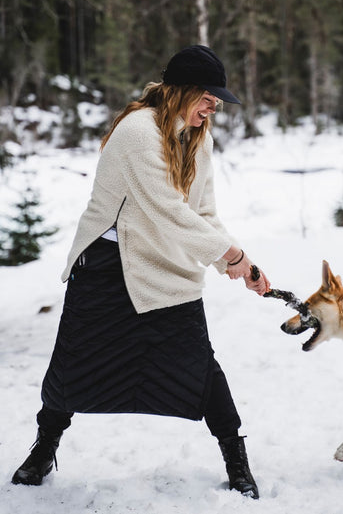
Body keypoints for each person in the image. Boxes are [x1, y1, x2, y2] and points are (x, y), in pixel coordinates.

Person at [11, 45, 270, 499]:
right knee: (71, 366)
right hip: (107, 268)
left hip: (163, 266)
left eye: (216, 101)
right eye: (207, 97)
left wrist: (236, 262)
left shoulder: (199, 136)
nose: (213, 107)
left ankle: (235, 456)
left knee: (199, 365)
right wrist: (230, 255)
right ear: (183, 90)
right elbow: (166, 209)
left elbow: (202, 211)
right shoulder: (137, 130)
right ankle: (43, 450)